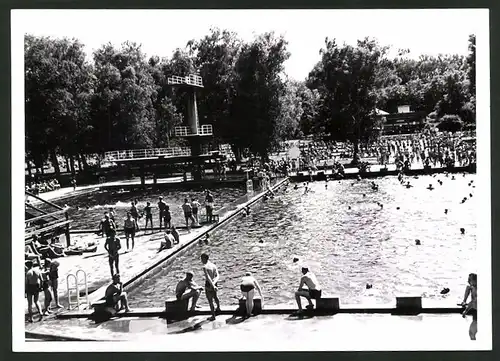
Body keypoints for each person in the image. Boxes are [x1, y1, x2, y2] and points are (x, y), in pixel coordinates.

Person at [201, 253, 221, 321]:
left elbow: (208, 277)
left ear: (204, 259)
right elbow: (217, 276)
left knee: (210, 300)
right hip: (215, 282)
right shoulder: (213, 265)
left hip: (209, 284)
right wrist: (214, 284)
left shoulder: (205, 267)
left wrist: (212, 285)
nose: (201, 261)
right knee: (215, 296)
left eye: (201, 259)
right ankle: (218, 307)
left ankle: (213, 316)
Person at [461, 273, 478, 340]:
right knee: (472, 333)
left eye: (470, 280)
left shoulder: (477, 289)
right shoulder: (472, 287)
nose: (468, 281)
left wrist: (466, 311)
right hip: (476, 310)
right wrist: (464, 301)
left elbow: (474, 301)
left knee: (472, 333)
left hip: (479, 311)